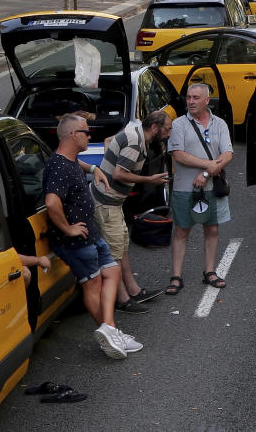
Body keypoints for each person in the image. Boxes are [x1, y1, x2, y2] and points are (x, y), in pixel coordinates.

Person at [44, 114, 142, 359]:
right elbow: (51, 202)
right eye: (86, 132)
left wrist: (94, 168)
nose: (90, 136)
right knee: (92, 283)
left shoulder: (70, 160)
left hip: (92, 232)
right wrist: (68, 229)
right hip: (75, 239)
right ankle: (111, 333)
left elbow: (74, 165)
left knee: (112, 271)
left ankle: (110, 330)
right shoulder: (57, 167)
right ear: (72, 135)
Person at [91, 112, 172, 314]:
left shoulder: (134, 129)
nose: (168, 134)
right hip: (106, 204)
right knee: (114, 254)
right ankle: (122, 300)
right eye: (167, 129)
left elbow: (109, 140)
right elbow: (119, 173)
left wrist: (105, 167)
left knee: (122, 247)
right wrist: (150, 180)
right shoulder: (136, 143)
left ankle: (134, 290)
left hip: (114, 203)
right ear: (154, 127)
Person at [166, 84, 234, 295]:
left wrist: (205, 174)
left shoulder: (219, 123)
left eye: (196, 98)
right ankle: (176, 276)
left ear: (207, 101)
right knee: (182, 231)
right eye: (188, 97)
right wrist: (208, 165)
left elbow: (228, 153)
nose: (191, 101)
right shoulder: (178, 124)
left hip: (212, 187)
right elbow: (178, 154)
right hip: (185, 188)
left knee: (212, 229)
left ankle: (210, 271)